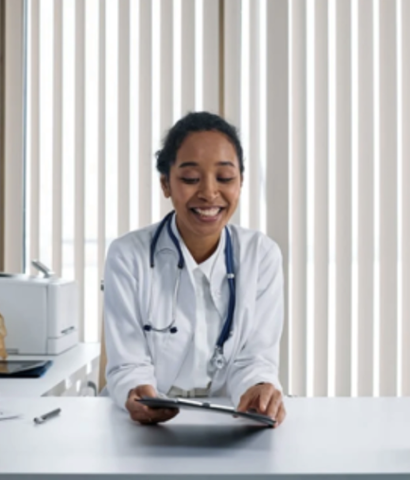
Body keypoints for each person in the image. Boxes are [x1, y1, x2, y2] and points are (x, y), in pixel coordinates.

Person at [103, 112, 286, 427]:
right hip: (144, 430)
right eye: (190, 179)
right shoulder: (127, 255)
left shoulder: (261, 255)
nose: (209, 193)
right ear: (166, 184)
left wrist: (259, 389)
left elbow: (256, 359)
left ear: (240, 183)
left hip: (230, 423)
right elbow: (128, 363)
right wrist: (138, 392)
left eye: (225, 178)